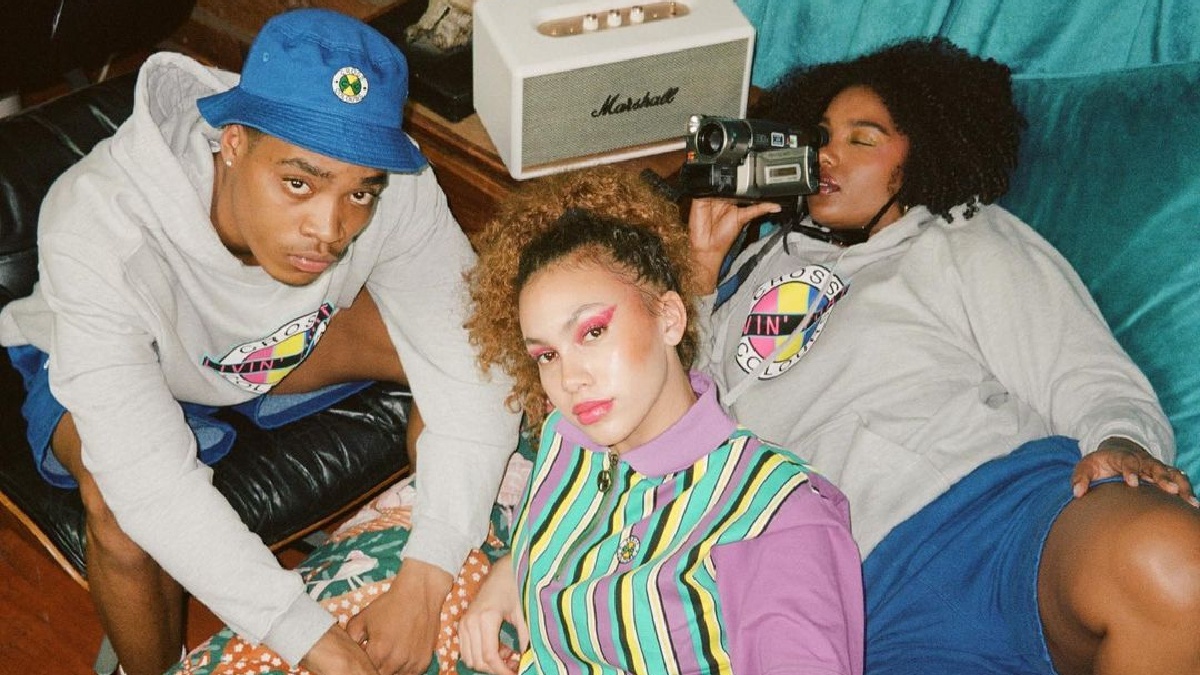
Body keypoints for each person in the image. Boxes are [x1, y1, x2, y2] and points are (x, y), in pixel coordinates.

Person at [0, 9, 519, 675]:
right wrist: (312, 639)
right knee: (118, 510)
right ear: (234, 143)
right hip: (138, 350)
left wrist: (428, 575)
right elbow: (152, 486)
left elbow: (476, 363)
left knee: (487, 356)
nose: (329, 230)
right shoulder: (98, 226)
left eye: (359, 194)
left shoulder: (395, 184)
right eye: (298, 183)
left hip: (277, 343)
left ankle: (461, 540)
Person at [688, 37, 1200, 674]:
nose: (827, 156)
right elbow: (682, 438)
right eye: (819, 137)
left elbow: (1081, 369)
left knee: (1173, 567)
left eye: (863, 139)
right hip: (862, 592)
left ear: (922, 152)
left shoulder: (958, 235)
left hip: (1011, 517)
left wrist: (1124, 441)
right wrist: (701, 278)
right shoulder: (754, 271)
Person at [456, 168, 865, 674]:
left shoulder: (774, 520)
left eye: (592, 332)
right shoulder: (568, 438)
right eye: (546, 355)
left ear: (669, 318)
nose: (569, 379)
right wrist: (509, 572)